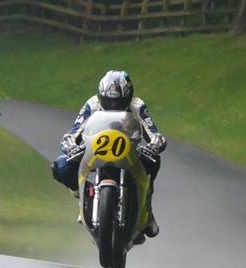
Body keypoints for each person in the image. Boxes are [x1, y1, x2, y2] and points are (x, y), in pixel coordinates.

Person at [51, 70, 166, 238]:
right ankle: (82, 197)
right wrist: (70, 147)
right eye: (109, 102)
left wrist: (154, 145)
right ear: (101, 96)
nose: (113, 106)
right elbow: (73, 132)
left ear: (128, 97)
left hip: (128, 150)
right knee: (60, 166)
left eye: (118, 102)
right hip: (95, 148)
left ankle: (147, 209)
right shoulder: (92, 104)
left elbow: (153, 132)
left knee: (153, 160)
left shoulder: (137, 105)